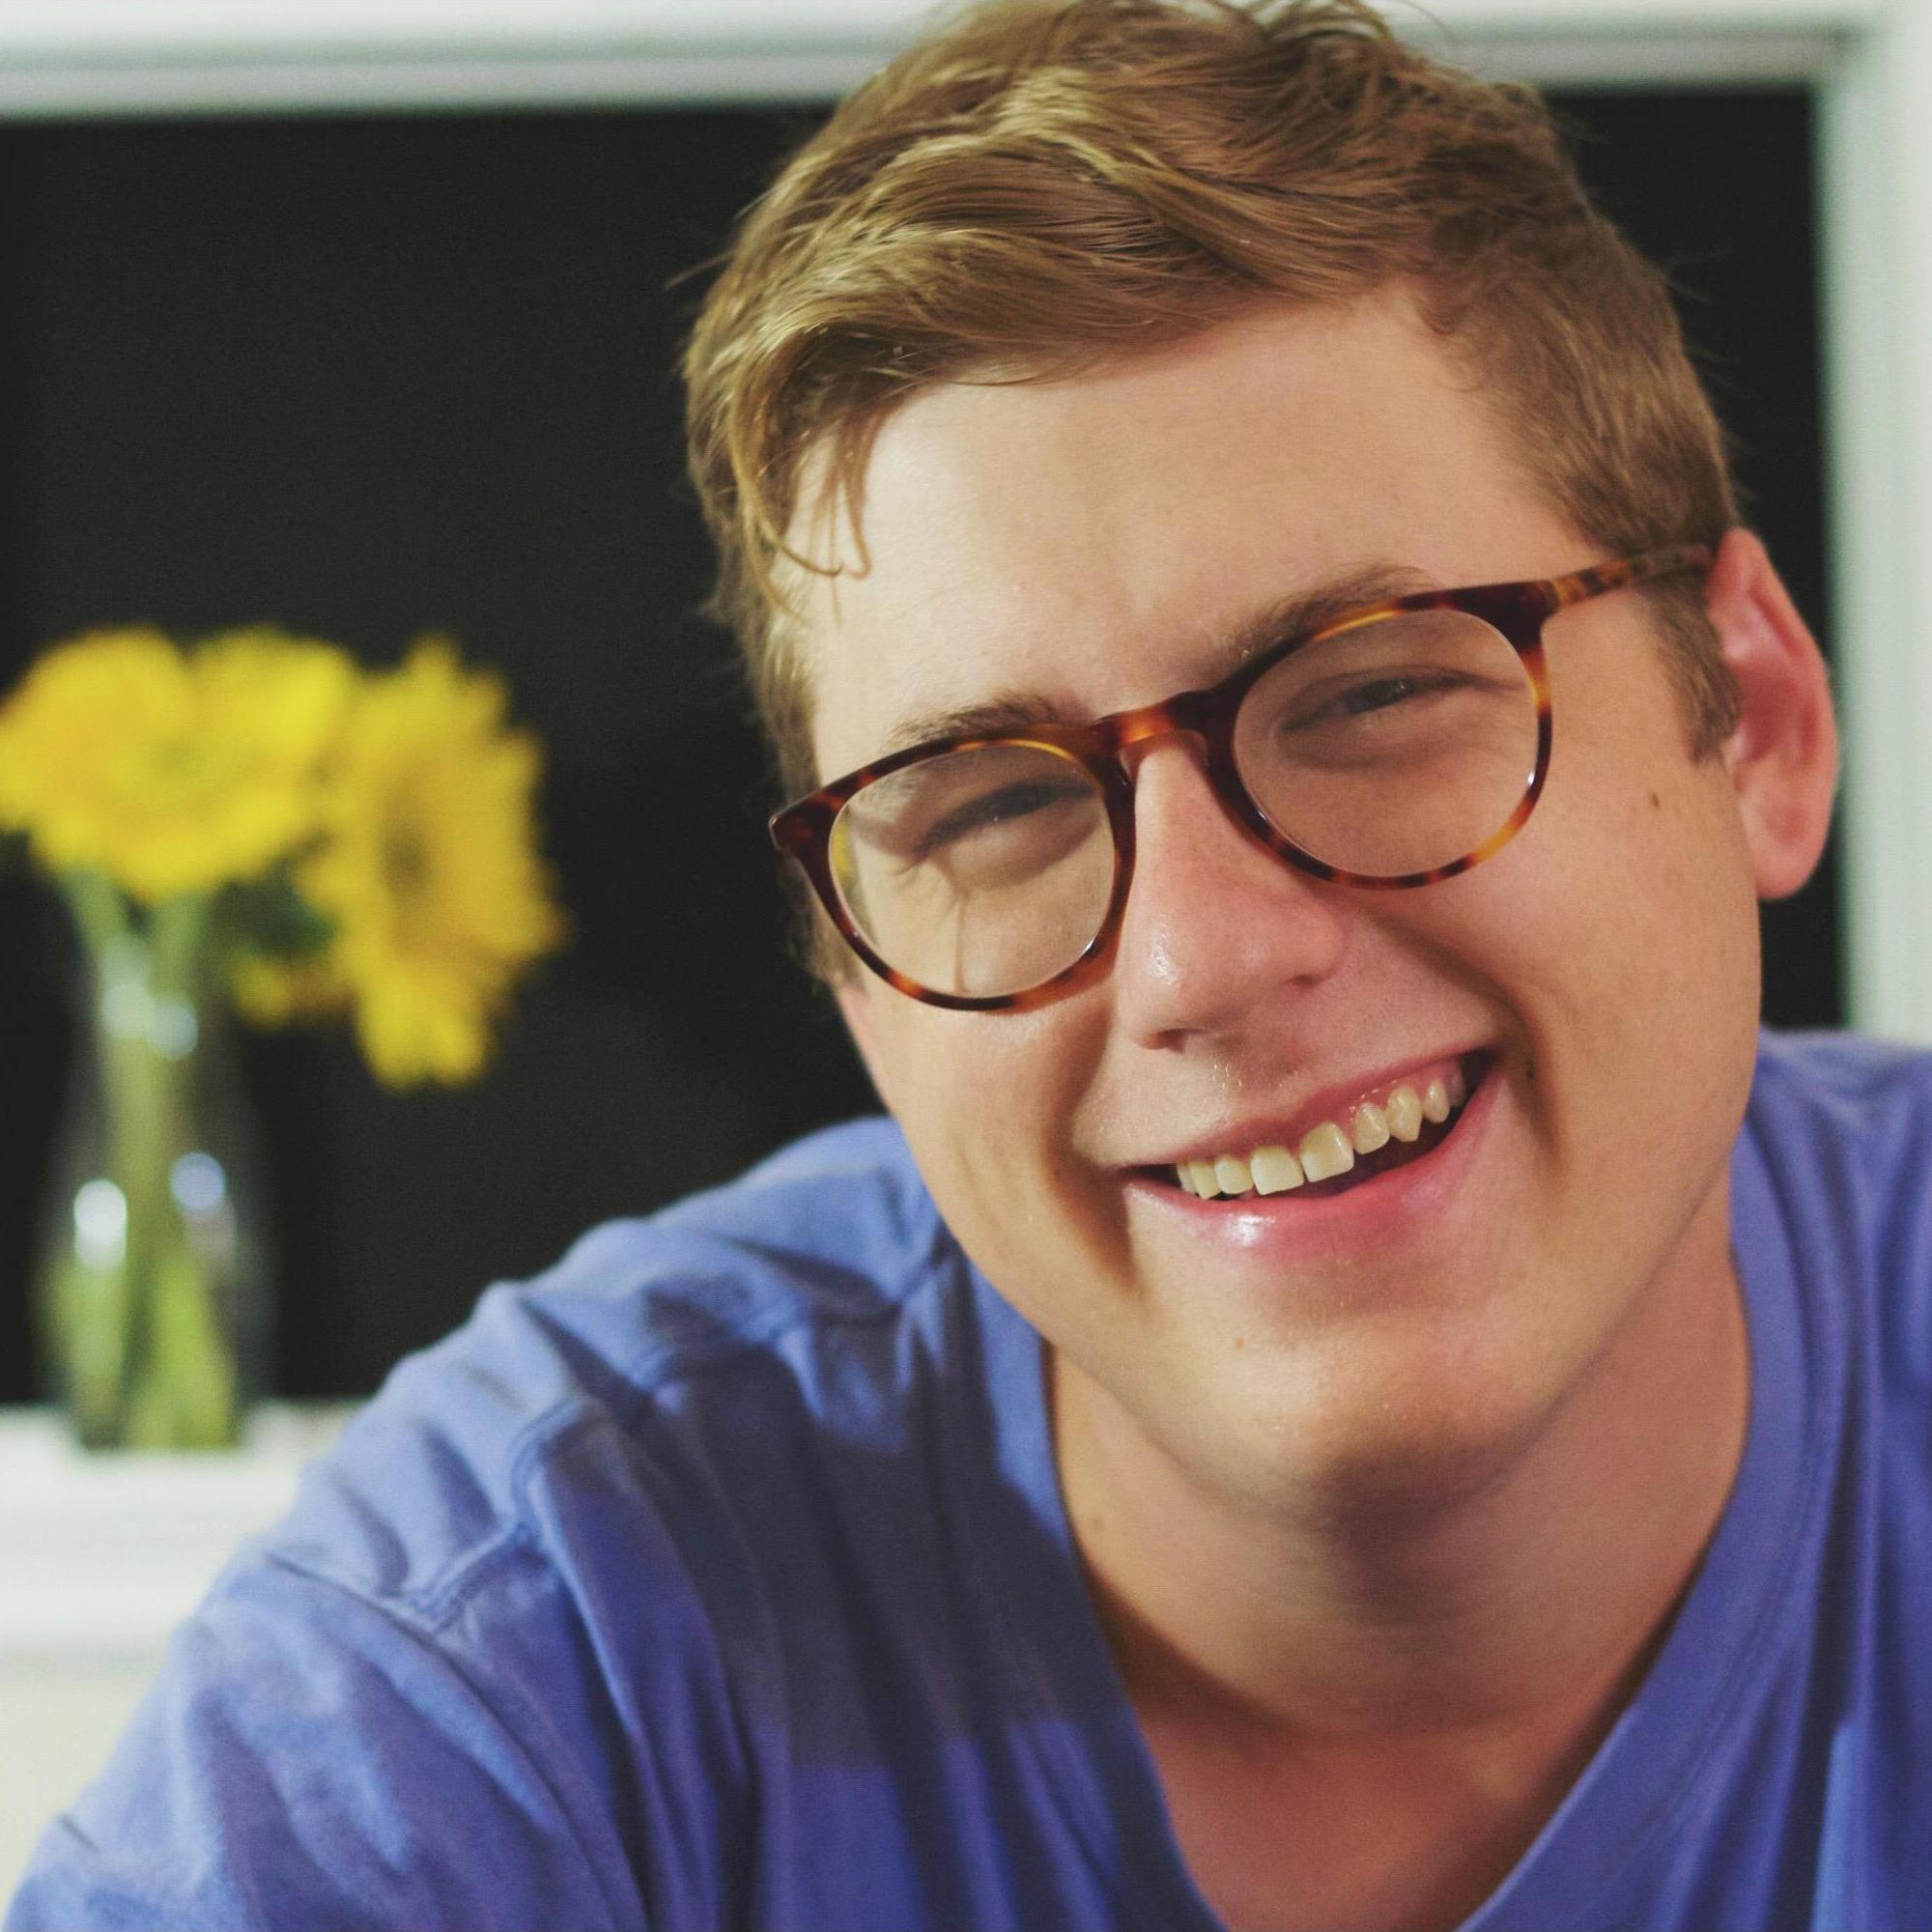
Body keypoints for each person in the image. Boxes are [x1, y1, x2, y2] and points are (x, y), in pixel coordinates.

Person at [8, 2, 1924, 1928]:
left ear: (1752, 721)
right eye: (988, 810)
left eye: (1374, 690)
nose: (1199, 956)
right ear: (856, 984)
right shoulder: (535, 1620)